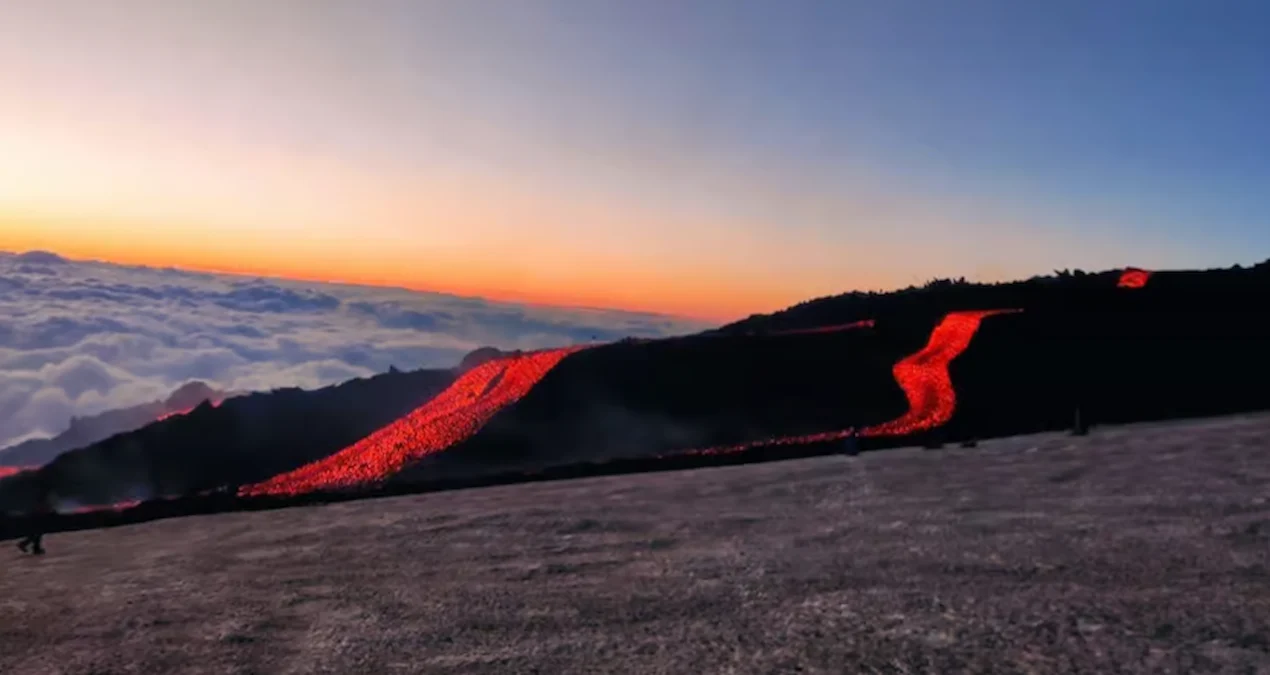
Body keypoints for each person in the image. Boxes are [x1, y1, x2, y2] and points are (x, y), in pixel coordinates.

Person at [16, 472, 54, 556]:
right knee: (38, 530)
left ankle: (35, 547)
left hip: (35, 511)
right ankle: (27, 544)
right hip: (37, 511)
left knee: (38, 530)